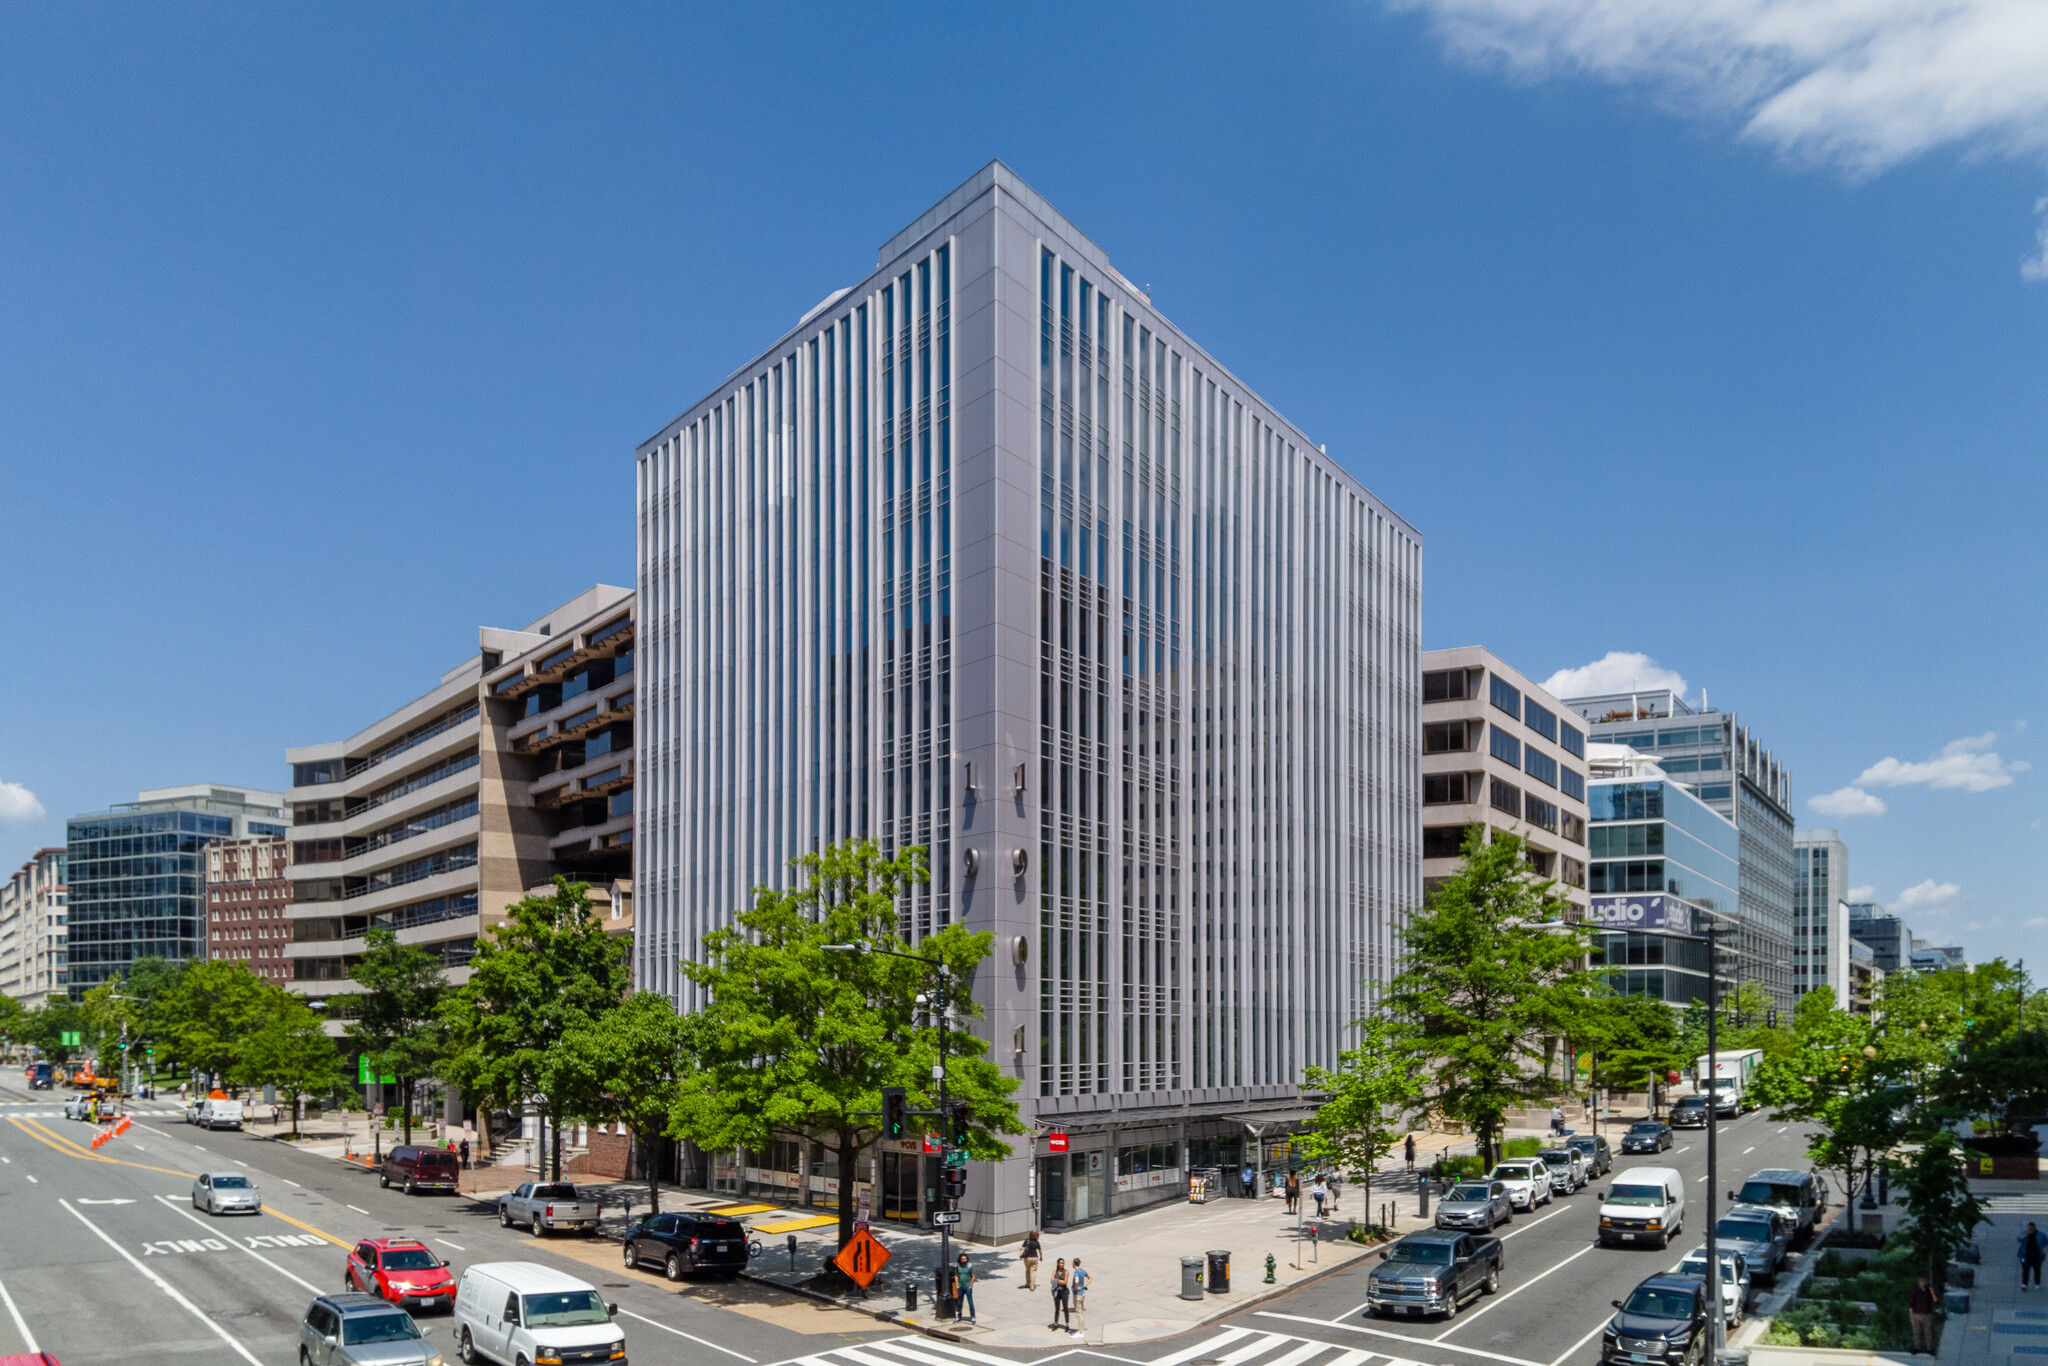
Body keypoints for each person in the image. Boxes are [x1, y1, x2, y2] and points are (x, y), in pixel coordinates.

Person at [1908, 1276, 1937, 1353]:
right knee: (1916, 1332)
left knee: (1927, 1332)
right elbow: (1911, 1304)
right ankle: (1917, 1347)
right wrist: (1911, 1316)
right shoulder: (1915, 1291)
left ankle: (1929, 1348)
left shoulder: (1929, 1291)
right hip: (1916, 1314)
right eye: (1921, 1281)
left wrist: (1932, 1292)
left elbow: (1935, 1300)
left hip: (1927, 1314)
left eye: (1924, 1281)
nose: (1922, 1283)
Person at [1050, 1257, 1071, 1331]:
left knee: (1065, 1308)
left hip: (1064, 1292)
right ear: (1058, 1264)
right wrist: (1059, 1281)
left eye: (1063, 1263)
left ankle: (1067, 1325)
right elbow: (1052, 1281)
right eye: (1061, 1263)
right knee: (1057, 1308)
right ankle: (1056, 1324)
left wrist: (1057, 1281)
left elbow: (1065, 1282)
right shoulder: (1054, 1272)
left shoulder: (1066, 1272)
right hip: (1057, 1292)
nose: (1062, 1264)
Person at [954, 1253, 977, 1323]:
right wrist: (957, 1285)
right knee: (959, 1303)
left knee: (970, 1302)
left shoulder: (970, 1266)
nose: (964, 1260)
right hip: (960, 1287)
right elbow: (956, 1276)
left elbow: (973, 1276)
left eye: (965, 1259)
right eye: (963, 1259)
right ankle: (959, 1316)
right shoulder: (958, 1267)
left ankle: (973, 1316)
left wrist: (971, 1286)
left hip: (967, 1287)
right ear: (960, 1260)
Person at [2023, 1223, 2045, 1289]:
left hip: (2036, 1255)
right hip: (2028, 1255)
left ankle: (2037, 1283)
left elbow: (2046, 1241)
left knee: (2037, 1270)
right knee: (2026, 1270)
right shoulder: (2025, 1233)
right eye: (2029, 1228)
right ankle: (2025, 1283)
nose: (2029, 1229)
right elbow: (2019, 1239)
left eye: (2031, 1228)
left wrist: (2045, 1248)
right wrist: (2026, 1235)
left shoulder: (2040, 1234)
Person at [1070, 1257, 1089, 1334]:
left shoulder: (1076, 1272)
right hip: (1082, 1293)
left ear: (1074, 1263)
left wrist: (1075, 1287)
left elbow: (1076, 1281)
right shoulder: (1082, 1270)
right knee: (1081, 1312)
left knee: (1078, 1313)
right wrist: (1084, 1285)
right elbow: (1090, 1278)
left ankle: (1080, 1331)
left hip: (1077, 1294)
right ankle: (1082, 1328)